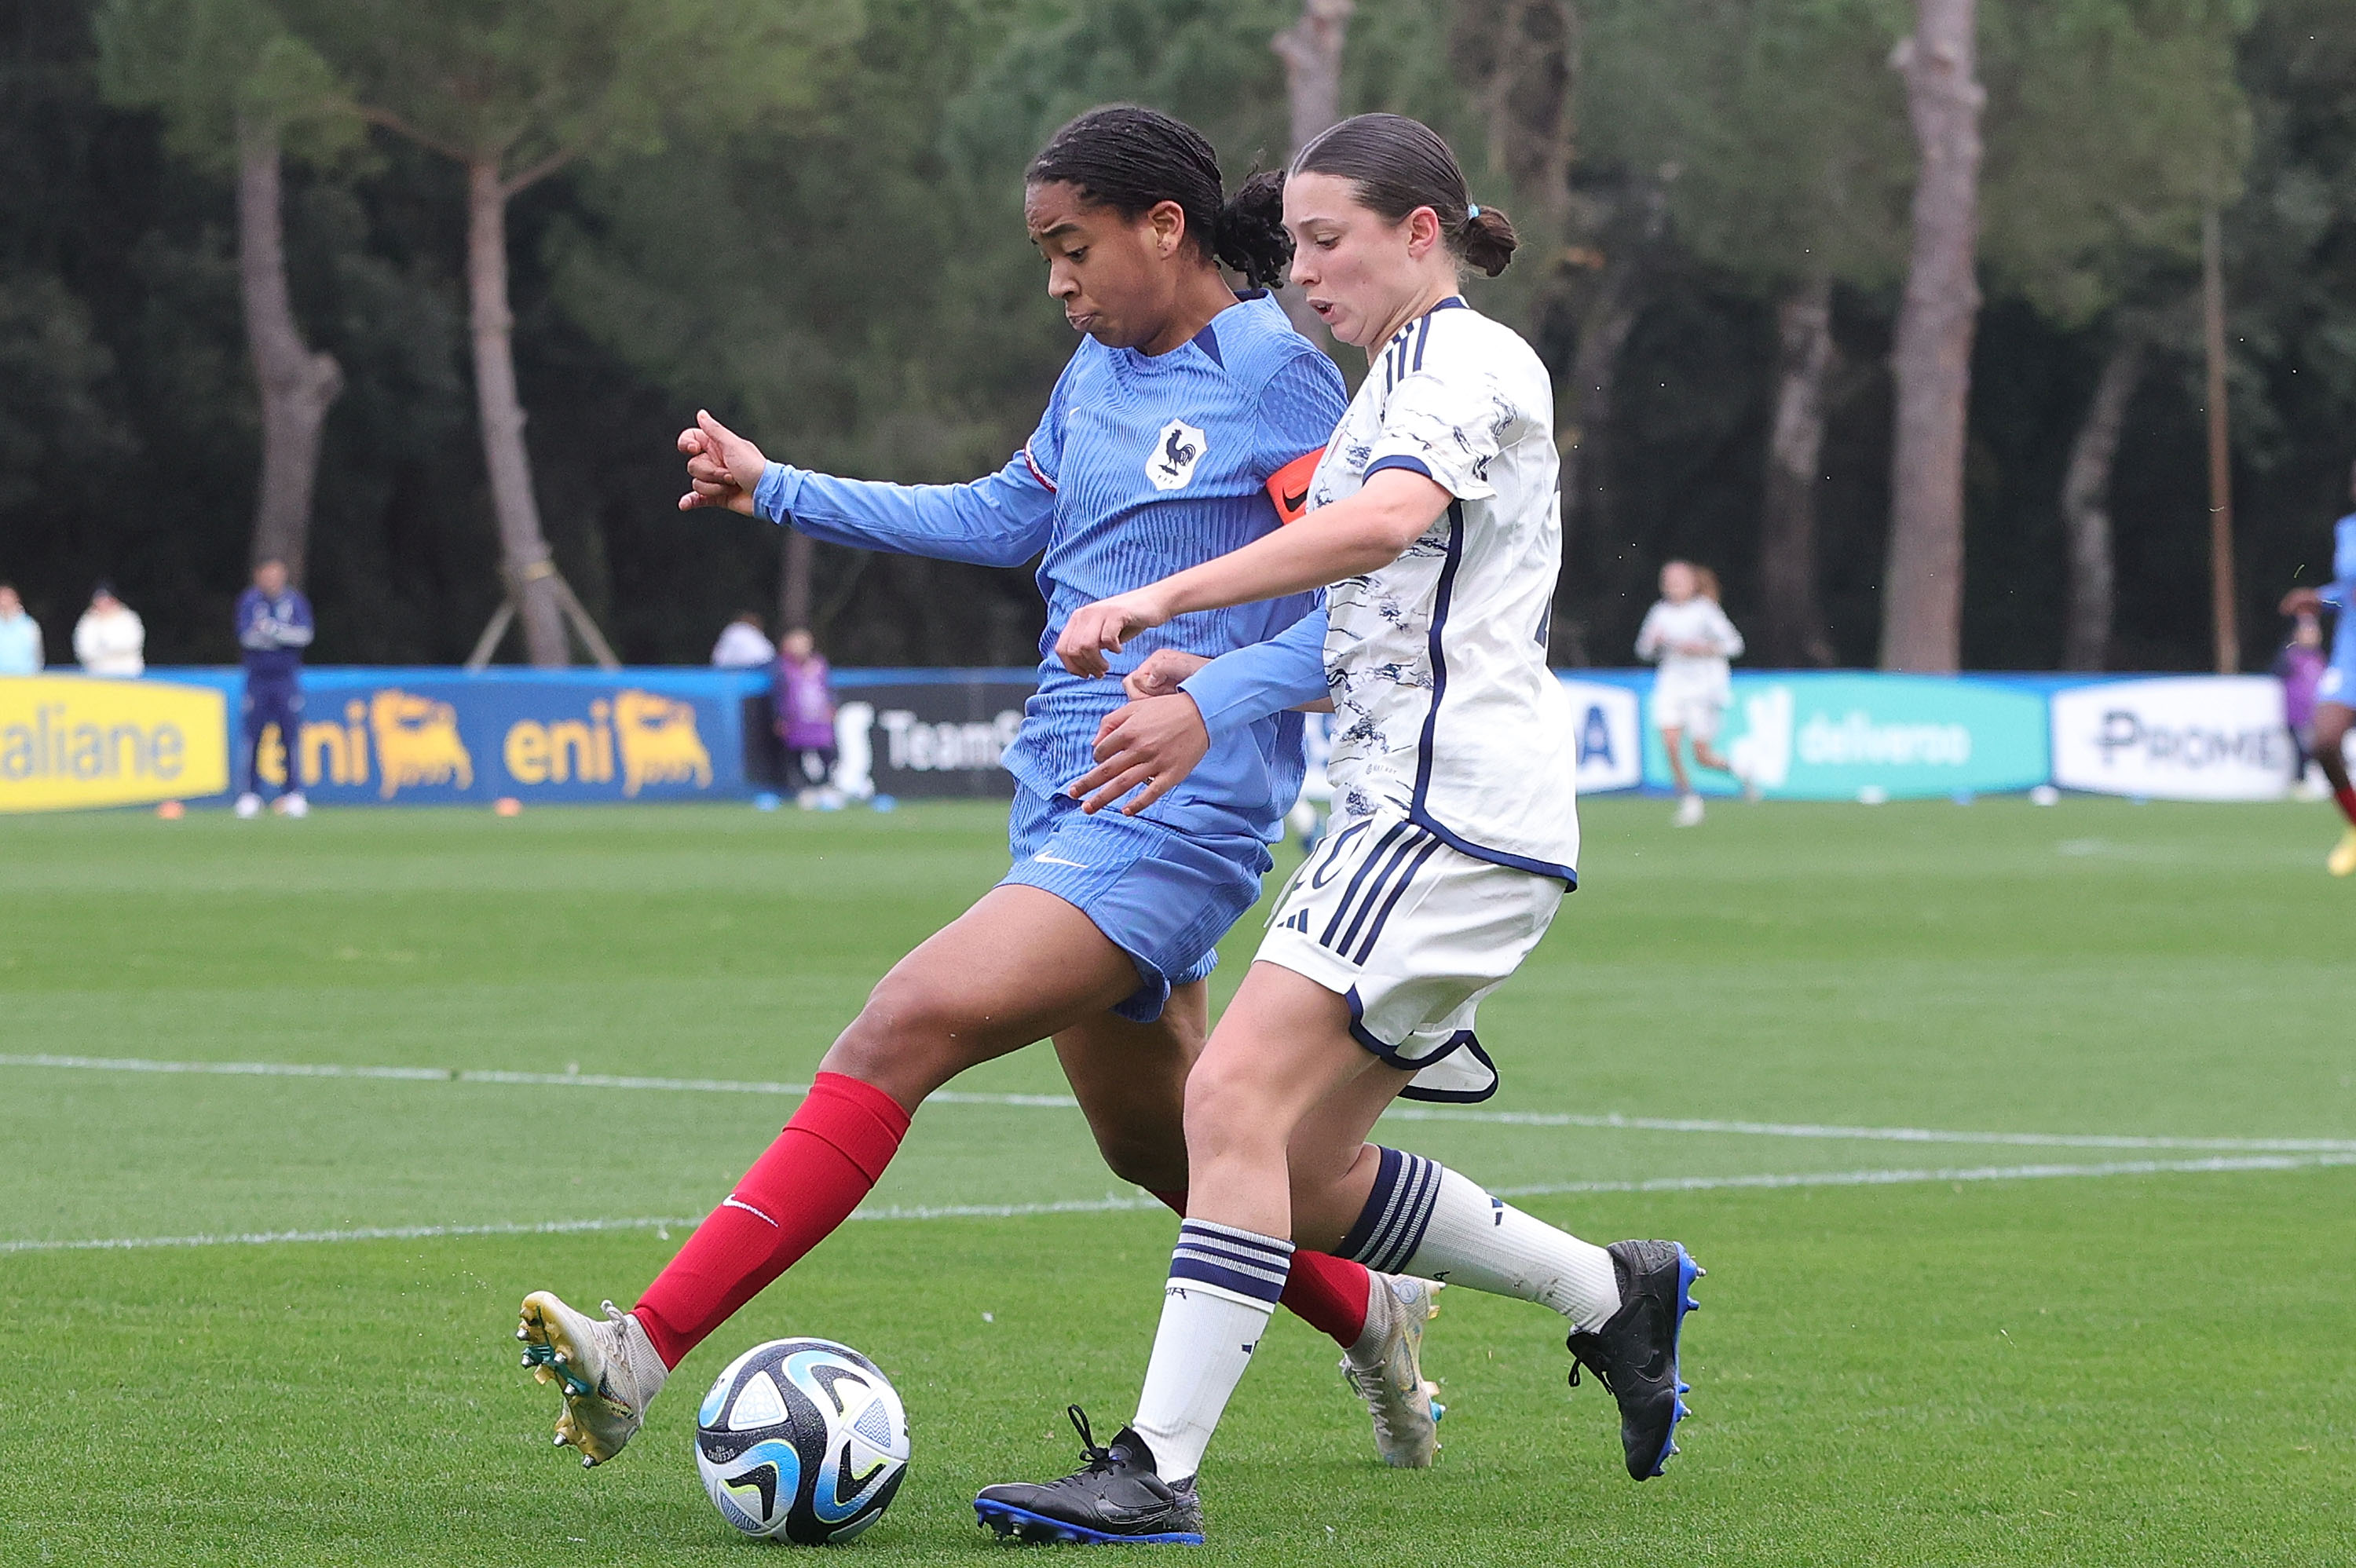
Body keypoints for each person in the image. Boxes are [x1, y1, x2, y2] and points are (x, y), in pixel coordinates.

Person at [514, 107, 1446, 1478]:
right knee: (1165, 1149)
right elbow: (1006, 516)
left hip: (1175, 808)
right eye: (1044, 257)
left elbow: (1353, 613)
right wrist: (778, 488)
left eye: (1072, 250)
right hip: (1060, 789)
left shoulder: (1278, 376)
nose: (1057, 282)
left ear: (1164, 228)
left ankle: (640, 1350)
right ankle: (1377, 1312)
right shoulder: (1095, 368)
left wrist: (1210, 698)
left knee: (903, 1023)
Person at [973, 114, 1701, 1547]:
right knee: (1299, 1173)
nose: (1301, 272)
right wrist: (1218, 679)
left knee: (1224, 1103)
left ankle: (1156, 1469)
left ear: (1419, 234)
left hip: (1440, 817)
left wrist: (1164, 602)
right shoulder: (1389, 388)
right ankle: (1610, 1292)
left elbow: (1374, 531)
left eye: (1327, 241)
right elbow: (1357, 622)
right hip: (1422, 819)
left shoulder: (1464, 363)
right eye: (1294, 242)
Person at [2279, 459, 2356, 873]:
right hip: (2351, 654)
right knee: (2324, 742)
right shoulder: (2347, 530)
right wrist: (2318, 598)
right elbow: (2349, 592)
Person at [1636, 560, 1747, 826]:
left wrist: (1702, 648)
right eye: (1668, 581)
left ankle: (1742, 771)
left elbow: (1734, 645)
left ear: (1692, 583)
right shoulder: (1659, 613)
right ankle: (1689, 800)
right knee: (1671, 743)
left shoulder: (1705, 611)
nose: (1673, 587)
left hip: (1703, 687)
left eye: (1678, 581)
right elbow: (1643, 649)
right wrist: (1655, 643)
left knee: (1701, 755)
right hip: (1672, 683)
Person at [233, 559, 315, 819]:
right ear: (259, 576)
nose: (272, 580)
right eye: (267, 575)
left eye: (277, 575)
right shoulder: (250, 602)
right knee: (253, 737)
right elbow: (247, 637)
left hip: (285, 679)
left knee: (289, 736)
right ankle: (250, 794)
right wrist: (278, 638)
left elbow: (304, 635)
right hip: (257, 680)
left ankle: (293, 793)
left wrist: (273, 632)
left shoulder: (295, 602)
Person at [773, 627, 840, 807]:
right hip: (796, 720)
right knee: (796, 756)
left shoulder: (819, 664)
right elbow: (779, 695)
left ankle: (826, 787)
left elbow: (828, 688)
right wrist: (780, 717)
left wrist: (832, 707)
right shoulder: (783, 668)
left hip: (818, 720)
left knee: (827, 753)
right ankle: (804, 790)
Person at [2276, 612, 2329, 799]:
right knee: (2300, 750)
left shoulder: (2320, 657)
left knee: (2315, 749)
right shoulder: (2290, 656)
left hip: (2315, 715)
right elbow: (2277, 671)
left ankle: (2313, 782)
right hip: (2297, 715)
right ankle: (2299, 782)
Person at [72, 583, 144, 677]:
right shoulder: (87, 622)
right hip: (95, 674)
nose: (103, 603)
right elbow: (82, 650)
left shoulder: (128, 618)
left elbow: (133, 643)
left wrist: (109, 648)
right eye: (99, 600)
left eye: (106, 599)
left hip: (127, 673)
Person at [710, 610, 775, 669]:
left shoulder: (749, 633)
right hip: (745, 670)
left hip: (755, 668)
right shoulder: (735, 631)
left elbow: (718, 659)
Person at [0, 585, 42, 674]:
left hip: (24, 679)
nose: (4, 602)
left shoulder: (29, 626)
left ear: (16, 599)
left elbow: (38, 655)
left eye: (8, 598)